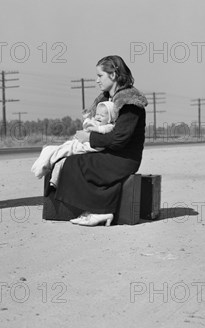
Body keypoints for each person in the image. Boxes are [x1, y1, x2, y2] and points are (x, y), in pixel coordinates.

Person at [50, 55, 148, 227]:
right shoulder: (106, 100)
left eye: (100, 75)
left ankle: (101, 211)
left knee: (75, 164)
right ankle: (98, 208)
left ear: (114, 74)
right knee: (65, 160)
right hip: (109, 153)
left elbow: (120, 138)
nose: (96, 81)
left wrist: (89, 138)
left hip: (124, 158)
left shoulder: (129, 102)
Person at [31, 101, 118, 180]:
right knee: (54, 149)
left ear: (110, 118)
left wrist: (93, 128)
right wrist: (87, 118)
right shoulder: (96, 122)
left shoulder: (109, 126)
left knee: (62, 151)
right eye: (97, 114)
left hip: (86, 146)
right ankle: (43, 162)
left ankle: (43, 166)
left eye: (102, 116)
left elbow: (103, 130)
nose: (98, 117)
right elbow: (86, 124)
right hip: (81, 143)